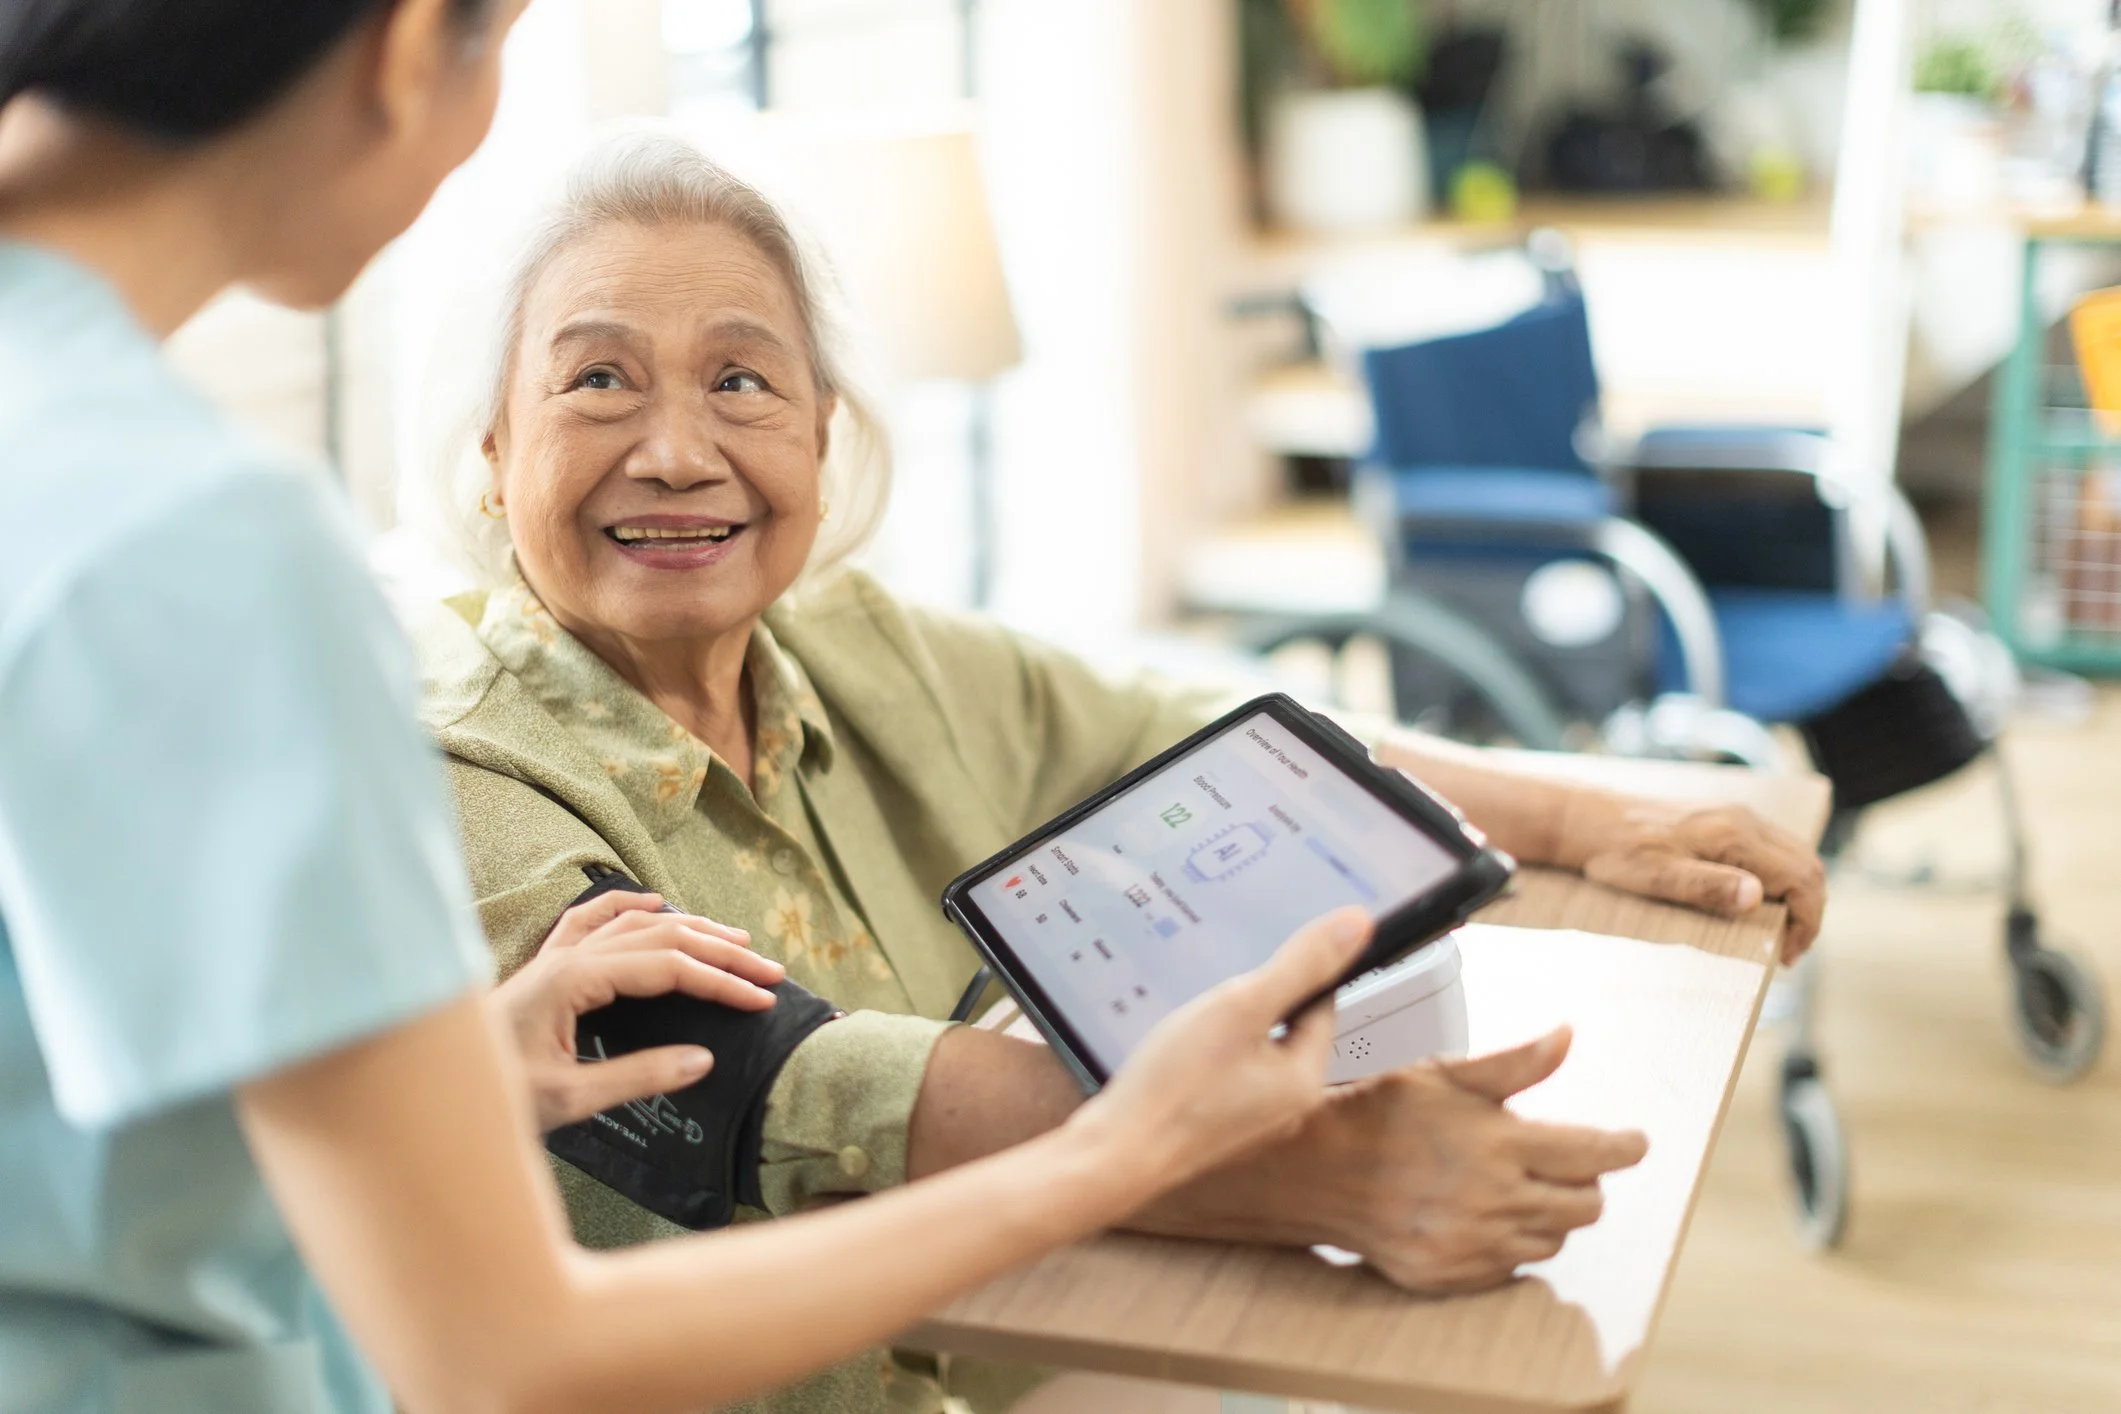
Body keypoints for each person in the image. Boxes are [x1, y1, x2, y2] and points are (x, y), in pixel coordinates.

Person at [0, 4, 1397, 1412]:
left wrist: (459, 1085)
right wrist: (1114, 1151)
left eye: (739, 382)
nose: (676, 454)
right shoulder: (196, 546)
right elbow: (502, 1354)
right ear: (417, 44)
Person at [401, 132, 1826, 1414]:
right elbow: (765, 1075)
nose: (674, 450)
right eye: (597, 380)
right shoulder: (453, 767)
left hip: (1021, 1349)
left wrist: (1587, 811)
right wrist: (1321, 1170)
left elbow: (1191, 724)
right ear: (493, 446)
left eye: (739, 380)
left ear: (820, 436)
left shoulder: (846, 642)